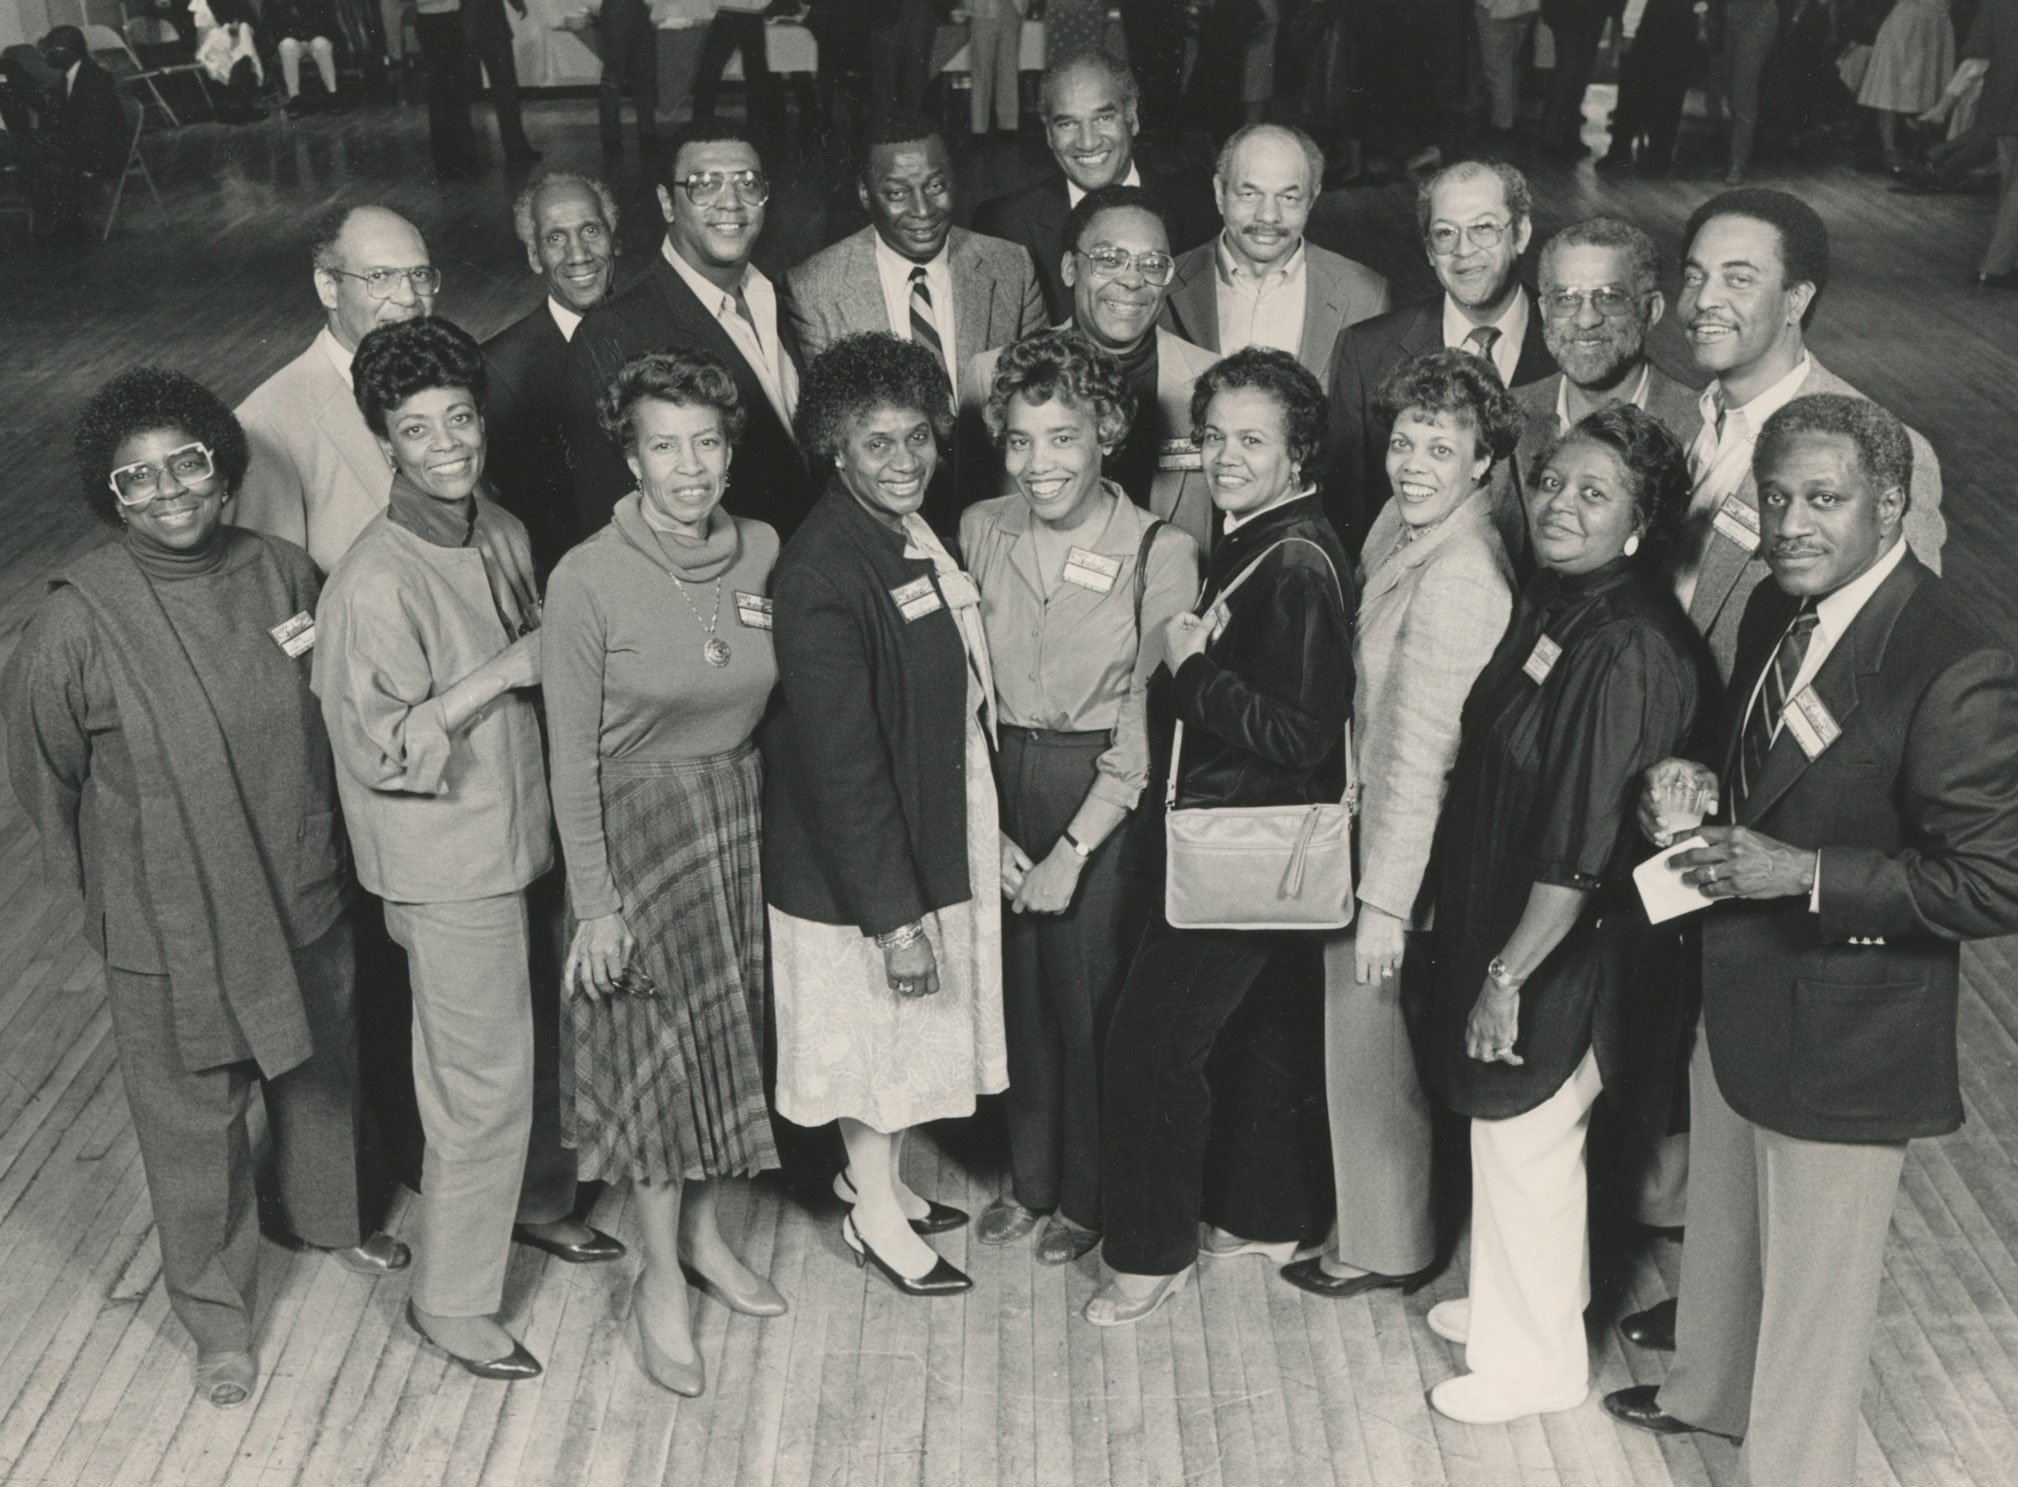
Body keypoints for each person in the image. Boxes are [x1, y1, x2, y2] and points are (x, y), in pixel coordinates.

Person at [1601, 395, 2018, 1487]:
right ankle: (1705, 1393)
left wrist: (1805, 875)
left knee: (1815, 1300)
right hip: (1738, 985)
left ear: (1890, 506)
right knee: (1728, 1229)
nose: (1789, 521)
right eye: (1774, 496)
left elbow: (1992, 878)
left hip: (1846, 1026)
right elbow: (1758, 763)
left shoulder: (1951, 659)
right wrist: (1688, 776)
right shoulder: (1779, 612)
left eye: (1822, 500)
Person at [1, 369, 408, 1411]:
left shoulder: (284, 572)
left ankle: (327, 1219)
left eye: (187, 462)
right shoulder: (73, 626)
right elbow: (46, 788)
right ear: (113, 498)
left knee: (321, 1068)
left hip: (300, 880)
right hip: (170, 920)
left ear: (223, 468)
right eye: (137, 479)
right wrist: (117, 908)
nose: (170, 490)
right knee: (194, 1125)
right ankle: (216, 1315)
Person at [1414, 402, 1713, 1424]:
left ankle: (1534, 1362)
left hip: (1568, 947)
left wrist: (1507, 975)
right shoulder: (1563, 602)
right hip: (1513, 918)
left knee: (1530, 1138)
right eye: (1551, 483)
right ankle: (1511, 1303)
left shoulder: (1627, 645)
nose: (1559, 505)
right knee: (1510, 1144)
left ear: (1639, 525)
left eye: (1594, 494)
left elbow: (1582, 846)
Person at [314, 318, 560, 1381]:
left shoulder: (495, 526)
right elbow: (381, 750)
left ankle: (537, 1204)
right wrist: (503, 670)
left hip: (521, 838)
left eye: (459, 417)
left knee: (535, 1049)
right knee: (478, 1082)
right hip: (446, 861)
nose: (448, 443)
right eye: (418, 429)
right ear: (385, 442)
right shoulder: (372, 581)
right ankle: (450, 1298)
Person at [1088, 347, 1353, 1326]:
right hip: (1250, 847)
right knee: (1256, 1032)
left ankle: (1147, 1256)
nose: (1225, 455)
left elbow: (1298, 731)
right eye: (1213, 437)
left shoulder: (1292, 561)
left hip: (1241, 848)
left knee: (1148, 1046)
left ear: (1298, 451)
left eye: (1252, 439)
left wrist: (1190, 669)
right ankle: (1264, 1216)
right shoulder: (1265, 534)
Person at [543, 350, 789, 1397]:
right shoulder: (585, 575)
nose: (687, 467)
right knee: (654, 1064)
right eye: (662, 445)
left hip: (736, 817)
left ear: (729, 451)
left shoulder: (764, 549)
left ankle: (702, 1236)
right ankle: (657, 1281)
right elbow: (566, 755)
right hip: (635, 833)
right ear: (631, 456)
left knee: (723, 1048)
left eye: (705, 443)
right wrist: (594, 903)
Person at [763, 333, 1007, 1298]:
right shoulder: (822, 570)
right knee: (875, 1049)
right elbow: (843, 771)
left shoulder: (904, 530)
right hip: (857, 875)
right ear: (834, 445)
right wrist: (896, 921)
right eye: (878, 444)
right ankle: (872, 1216)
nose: (904, 461)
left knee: (901, 1049)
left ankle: (883, 1181)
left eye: (918, 438)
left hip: (916, 836)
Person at [1278, 349, 1519, 1302]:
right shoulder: (1401, 522)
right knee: (1360, 1048)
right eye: (1406, 439)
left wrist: (1384, 903)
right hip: (1361, 829)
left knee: (1371, 1050)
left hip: (1395, 857)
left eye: (1443, 445)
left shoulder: (1462, 572)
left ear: (1484, 463)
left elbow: (1424, 753)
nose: (1414, 461)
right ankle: (1379, 1220)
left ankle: (1387, 1243)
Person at [959, 328, 1203, 1265]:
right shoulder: (982, 527)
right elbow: (964, 688)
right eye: (1020, 440)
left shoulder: (1159, 548)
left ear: (1107, 430)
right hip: (1003, 773)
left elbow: (1152, 715)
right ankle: (1033, 1179)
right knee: (1018, 994)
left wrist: (1072, 848)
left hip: (1105, 790)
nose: (1038, 463)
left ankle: (1090, 1199)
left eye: (1062, 437)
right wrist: (986, 820)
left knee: (1088, 998)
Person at [1666, 190, 1946, 682]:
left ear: (1796, 299)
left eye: (1739, 279)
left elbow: (1889, 654)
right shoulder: (1676, 418)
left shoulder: (1884, 449)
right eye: (1694, 276)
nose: (1704, 300)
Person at [565, 124, 813, 541]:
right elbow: (607, 517)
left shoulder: (773, 296)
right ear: (667, 202)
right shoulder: (611, 332)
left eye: (748, 183)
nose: (731, 203)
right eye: (704, 184)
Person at [963, 187, 1220, 551]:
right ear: (1070, 268)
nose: (1132, 281)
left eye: (1152, 263)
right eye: (1109, 259)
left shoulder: (1211, 381)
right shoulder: (989, 375)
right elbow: (974, 530)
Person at [1323, 160, 1555, 554]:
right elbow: (1346, 514)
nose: (1463, 251)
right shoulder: (1366, 352)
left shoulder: (1566, 344)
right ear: (1430, 250)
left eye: (1483, 228)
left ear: (1520, 234)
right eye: (1445, 233)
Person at [972, 51, 1213, 323]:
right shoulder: (1006, 225)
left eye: (1103, 118)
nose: (1087, 142)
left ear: (1131, 118)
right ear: (1049, 134)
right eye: (1067, 123)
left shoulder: (1199, 213)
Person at [1159, 124, 1391, 392]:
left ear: (1312, 199)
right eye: (1250, 194)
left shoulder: (1365, 295)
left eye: (1288, 197)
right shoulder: (1164, 285)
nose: (1268, 216)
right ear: (1219, 194)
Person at [1512, 218, 1700, 544]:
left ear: (1651, 310)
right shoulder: (1508, 417)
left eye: (1610, 297)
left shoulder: (1700, 431)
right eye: (1566, 298)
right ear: (1544, 310)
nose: (1586, 319)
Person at [484, 172, 621, 579]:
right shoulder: (499, 370)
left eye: (591, 230)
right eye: (555, 238)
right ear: (533, 255)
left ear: (614, 239)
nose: (579, 254)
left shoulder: (660, 332)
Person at [16, 25, 128, 248]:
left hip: (104, 153)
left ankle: (62, 229)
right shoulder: (72, 75)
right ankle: (58, 225)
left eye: (49, 50)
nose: (45, 55)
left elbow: (94, 131)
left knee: (37, 157)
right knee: (34, 152)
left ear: (65, 51)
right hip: (87, 145)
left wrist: (56, 141)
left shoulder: (94, 79)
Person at [1857, 0, 1956, 171]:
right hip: (1907, 25)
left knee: (1932, 85)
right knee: (1891, 84)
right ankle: (1889, 148)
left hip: (1938, 25)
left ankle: (1924, 145)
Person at [464, 0, 539, 165]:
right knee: (505, 89)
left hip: (472, 24)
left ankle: (516, 148)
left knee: (505, 89)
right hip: (487, 25)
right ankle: (516, 148)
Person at [1717, 0, 1782, 183]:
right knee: (1730, 87)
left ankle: (1738, 163)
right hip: (1732, 11)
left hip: (1758, 15)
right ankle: (1733, 156)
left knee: (1743, 88)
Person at [594, 0, 658, 159]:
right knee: (615, 76)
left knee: (644, 74)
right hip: (618, 7)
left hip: (635, 8)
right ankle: (613, 138)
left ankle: (646, 134)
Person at [1474, 0, 1539, 138]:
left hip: (1496, 8)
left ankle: (1501, 123)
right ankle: (1512, 116)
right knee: (1510, 62)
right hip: (1526, 7)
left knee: (1497, 67)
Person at [266, 0, 343, 112]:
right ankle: (294, 97)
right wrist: (293, 33)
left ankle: (332, 93)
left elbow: (326, 20)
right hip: (293, 39)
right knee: (286, 46)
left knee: (321, 45)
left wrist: (309, 33)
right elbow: (276, 26)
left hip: (316, 36)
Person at [967, 0, 1026, 137]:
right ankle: (979, 128)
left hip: (1012, 9)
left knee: (1009, 71)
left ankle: (1008, 125)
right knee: (981, 71)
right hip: (982, 11)